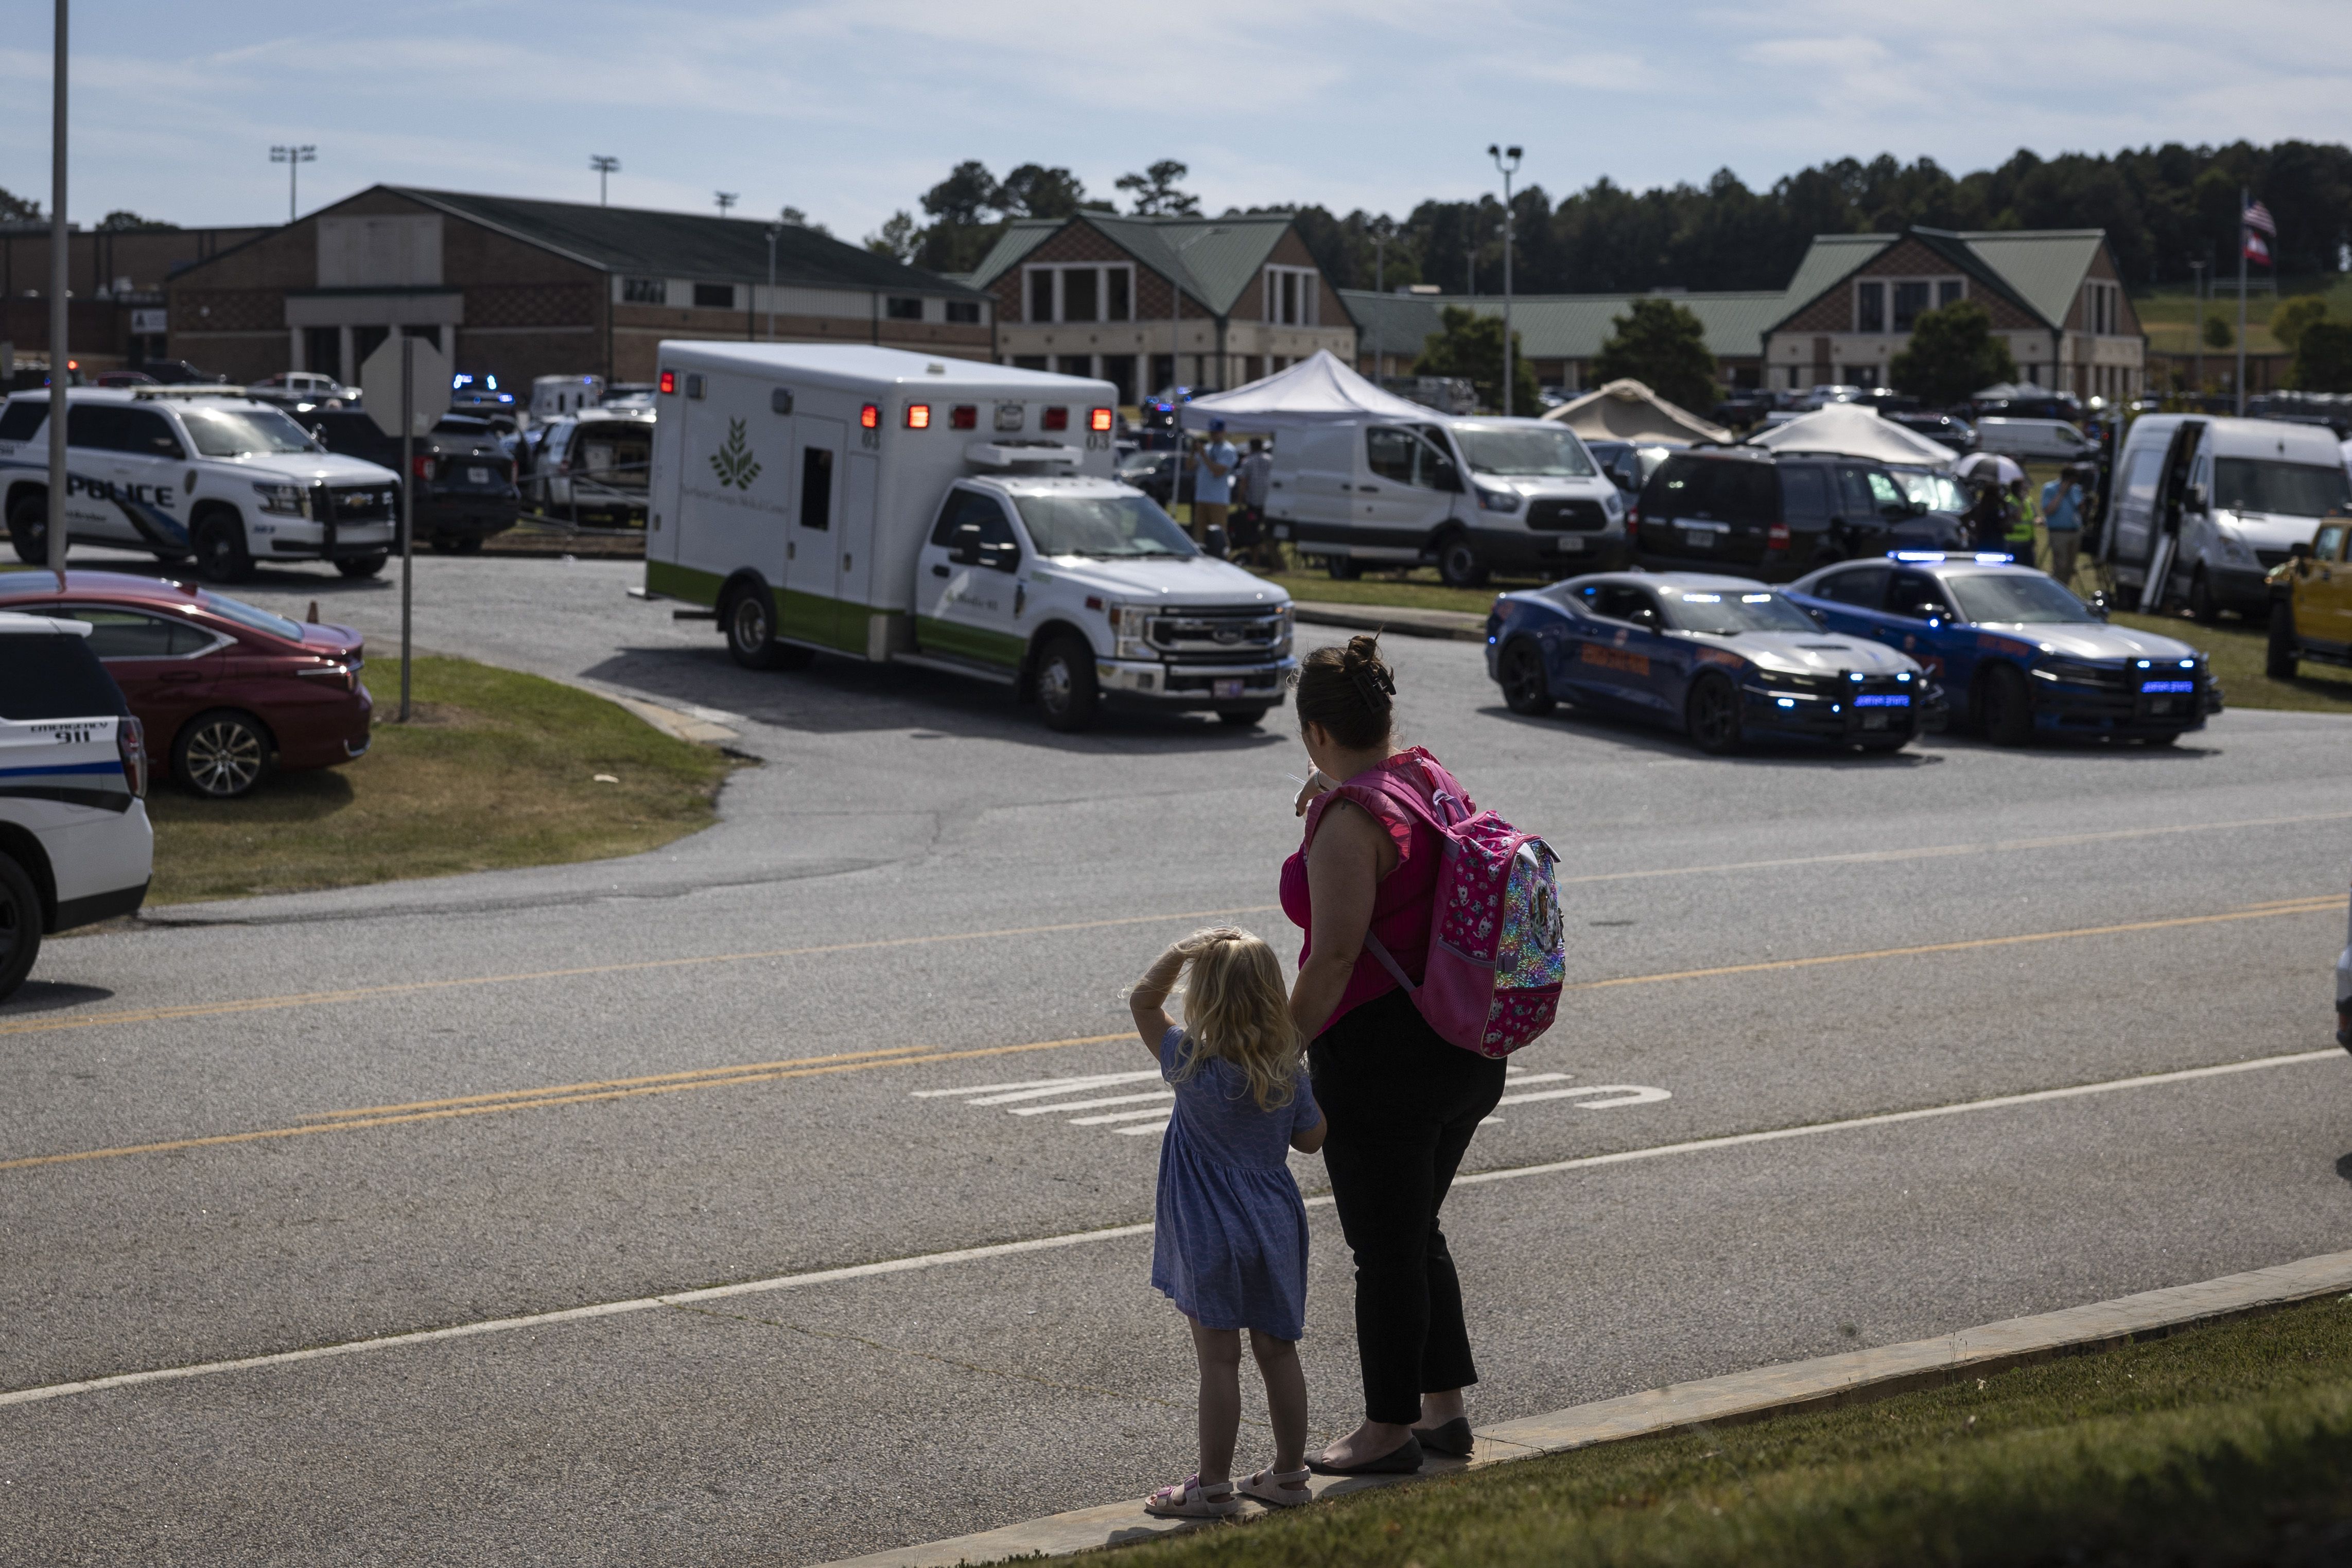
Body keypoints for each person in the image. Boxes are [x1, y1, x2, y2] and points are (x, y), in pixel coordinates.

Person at [1283, 636, 1505, 1477]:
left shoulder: (1350, 821)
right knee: (1414, 1231)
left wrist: (1277, 1055)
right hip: (1465, 1047)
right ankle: (1441, 1413)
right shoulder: (1425, 776)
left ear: (1313, 731)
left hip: (1385, 1063)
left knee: (1383, 1249)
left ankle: (1385, 1429)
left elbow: (1332, 958)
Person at [1130, 928, 1328, 1519]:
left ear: (1205, 997)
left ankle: (1213, 1485)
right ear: (1273, 993)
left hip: (1207, 1229)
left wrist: (1180, 951)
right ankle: (1290, 1475)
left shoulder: (1189, 1060)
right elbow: (1314, 1141)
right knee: (1278, 1351)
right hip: (1272, 1223)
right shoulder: (1286, 1070)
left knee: (1219, 1360)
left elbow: (1143, 1001)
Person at [1193, 419, 1239, 548]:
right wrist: (1193, 452)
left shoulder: (1228, 450)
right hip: (1202, 496)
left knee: (1219, 533)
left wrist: (1204, 456)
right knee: (1199, 533)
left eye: (1217, 432)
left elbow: (1217, 472)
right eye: (1212, 432)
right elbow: (1190, 466)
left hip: (1218, 498)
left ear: (1223, 432)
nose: (1214, 435)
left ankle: (1223, 556)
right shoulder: (1207, 448)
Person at [2041, 466, 2088, 587]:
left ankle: (2065, 589)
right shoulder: (2050, 489)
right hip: (2059, 533)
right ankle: (2056, 588)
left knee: (2070, 567)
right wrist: (2061, 493)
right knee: (2061, 565)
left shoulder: (2076, 490)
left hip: (2074, 532)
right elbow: (2048, 510)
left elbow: (2081, 510)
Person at [1233, 438, 1275, 567]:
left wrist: (1240, 501)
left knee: (1253, 532)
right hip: (1269, 503)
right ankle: (1269, 559)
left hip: (1254, 503)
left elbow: (1244, 483)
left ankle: (1256, 561)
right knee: (1268, 533)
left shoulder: (1248, 461)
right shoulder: (1271, 460)